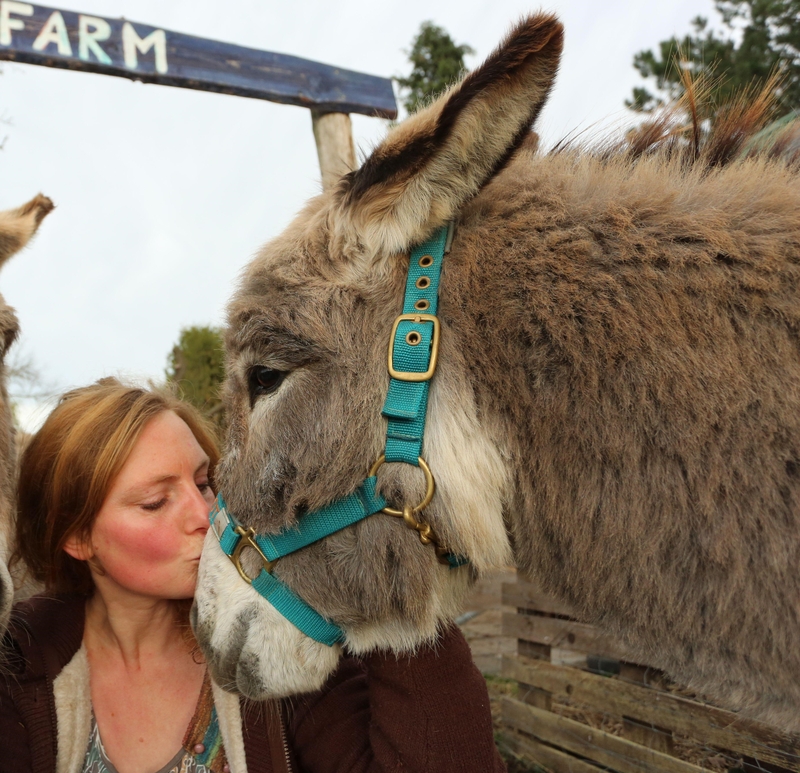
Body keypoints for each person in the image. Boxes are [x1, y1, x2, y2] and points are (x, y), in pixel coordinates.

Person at [0, 378, 506, 773]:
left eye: (205, 482)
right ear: (78, 538)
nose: (205, 513)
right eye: (155, 502)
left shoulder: (278, 643)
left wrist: (399, 595)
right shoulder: (20, 663)